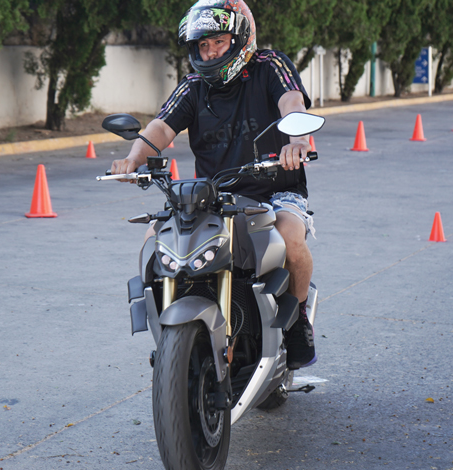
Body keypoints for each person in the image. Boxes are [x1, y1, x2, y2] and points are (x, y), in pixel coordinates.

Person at [110, 0, 316, 369]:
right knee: (153, 242)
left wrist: (297, 141)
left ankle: (297, 320)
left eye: (218, 42)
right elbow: (161, 126)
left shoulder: (270, 67)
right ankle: (172, 331)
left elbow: (292, 101)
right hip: (213, 194)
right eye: (203, 45)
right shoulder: (193, 87)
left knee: (290, 239)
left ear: (240, 38)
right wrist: (134, 158)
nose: (210, 52)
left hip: (274, 188)